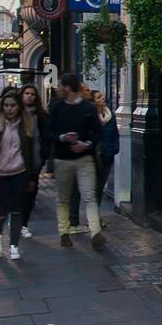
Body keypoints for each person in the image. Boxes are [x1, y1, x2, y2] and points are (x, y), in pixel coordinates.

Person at [43, 72, 104, 250]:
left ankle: (95, 233)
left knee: (89, 195)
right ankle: (64, 232)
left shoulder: (88, 108)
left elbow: (97, 132)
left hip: (84, 158)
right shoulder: (56, 108)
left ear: (68, 88)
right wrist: (62, 137)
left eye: (60, 85)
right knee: (63, 197)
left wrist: (87, 144)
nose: (57, 88)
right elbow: (48, 133)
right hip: (63, 159)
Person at [0, 89, 37, 260]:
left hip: (19, 172)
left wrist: (32, 176)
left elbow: (29, 152)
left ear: (19, 107)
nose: (9, 109)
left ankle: (14, 245)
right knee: (1, 209)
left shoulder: (26, 124)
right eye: (6, 106)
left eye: (13, 106)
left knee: (17, 210)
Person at [69, 90, 118, 232]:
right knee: (91, 189)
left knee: (99, 188)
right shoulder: (90, 116)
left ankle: (95, 217)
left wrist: (115, 148)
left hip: (108, 155)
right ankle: (89, 219)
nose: (103, 99)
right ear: (93, 101)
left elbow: (115, 133)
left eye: (102, 96)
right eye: (99, 97)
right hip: (93, 156)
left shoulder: (110, 115)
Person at [19, 84, 48, 239]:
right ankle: (17, 219)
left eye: (32, 94)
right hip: (16, 161)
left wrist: (43, 157)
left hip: (34, 161)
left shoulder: (41, 116)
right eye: (26, 93)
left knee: (30, 192)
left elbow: (44, 138)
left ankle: (24, 223)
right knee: (17, 193)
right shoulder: (15, 114)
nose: (29, 96)